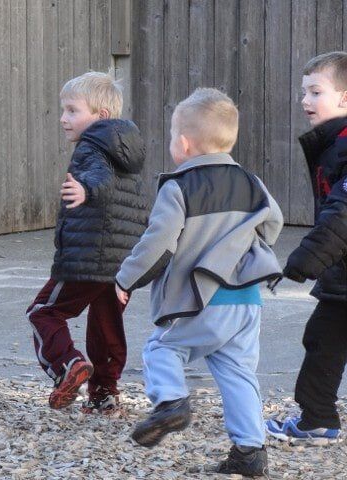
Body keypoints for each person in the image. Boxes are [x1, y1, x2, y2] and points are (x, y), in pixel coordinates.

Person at [115, 88, 283, 476]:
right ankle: (250, 451)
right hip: (246, 300)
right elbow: (272, 222)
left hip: (201, 298)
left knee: (162, 349)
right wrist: (243, 248)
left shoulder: (178, 187)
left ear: (185, 144)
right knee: (238, 372)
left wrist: (126, 279)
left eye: (174, 137)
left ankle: (171, 402)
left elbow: (157, 242)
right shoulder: (251, 181)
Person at [26, 71, 146, 413]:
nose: (64, 118)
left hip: (89, 256)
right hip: (121, 261)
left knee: (43, 312)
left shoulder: (93, 148)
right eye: (63, 110)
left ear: (101, 117)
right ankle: (104, 394)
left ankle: (68, 365)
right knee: (106, 325)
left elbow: (100, 180)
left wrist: (86, 189)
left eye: (72, 110)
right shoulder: (125, 151)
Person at [266, 51, 347, 444]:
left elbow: (343, 212)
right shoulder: (333, 145)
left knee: (324, 339)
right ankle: (317, 419)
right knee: (323, 339)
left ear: (345, 98)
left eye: (316, 91)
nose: (305, 101)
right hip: (342, 276)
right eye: (304, 92)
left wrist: (305, 261)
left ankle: (318, 419)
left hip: (339, 269)